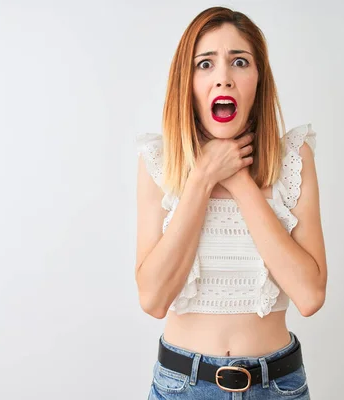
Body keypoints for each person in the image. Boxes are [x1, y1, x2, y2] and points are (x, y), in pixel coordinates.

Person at [135, 6, 327, 399]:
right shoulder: (159, 162)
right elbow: (153, 300)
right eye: (205, 64)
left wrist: (240, 181)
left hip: (277, 387)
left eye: (239, 61)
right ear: (186, 82)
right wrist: (203, 177)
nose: (223, 77)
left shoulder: (294, 158)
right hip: (181, 387)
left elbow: (310, 296)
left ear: (258, 79)